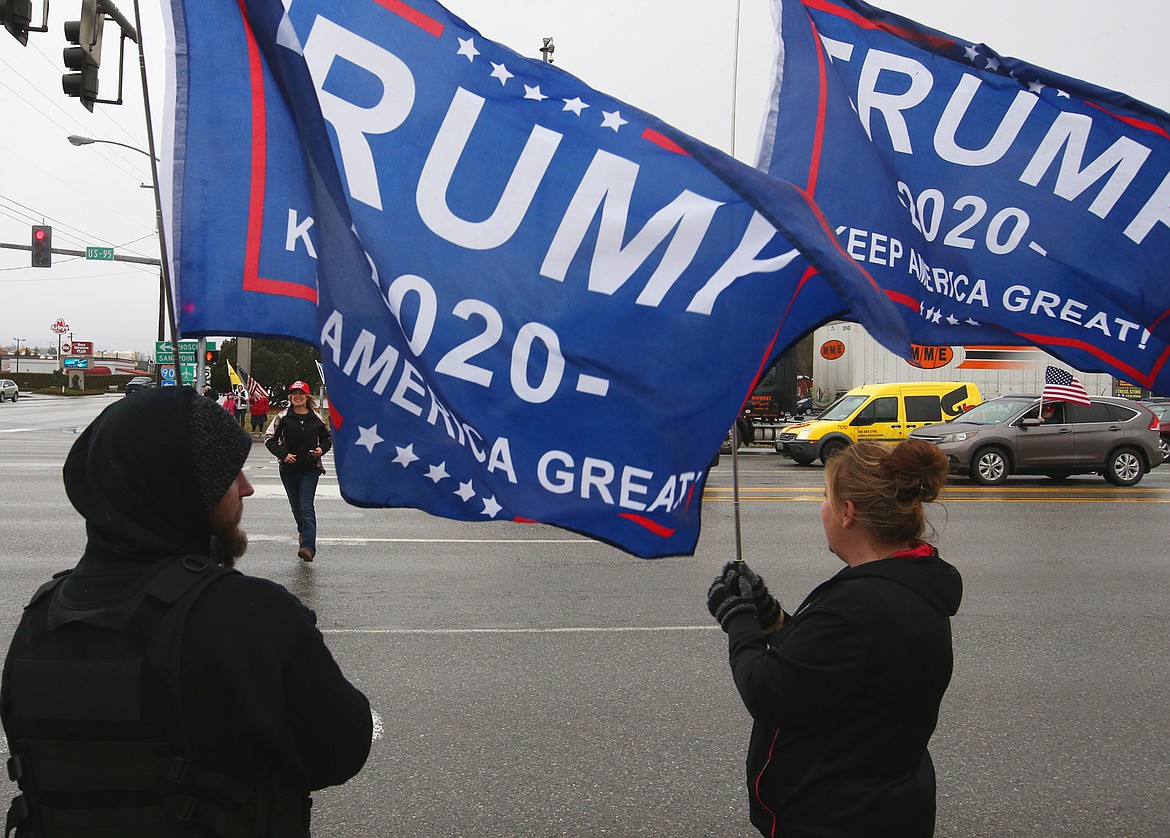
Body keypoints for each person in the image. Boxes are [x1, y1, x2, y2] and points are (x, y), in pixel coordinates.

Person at [1, 386, 371, 837]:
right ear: (181, 489)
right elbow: (339, 749)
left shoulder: (41, 619)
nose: (247, 487)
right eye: (228, 474)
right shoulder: (248, 615)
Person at [707, 439, 962, 838]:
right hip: (890, 802)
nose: (821, 506)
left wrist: (738, 619)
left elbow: (767, 691)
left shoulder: (859, 605)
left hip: (836, 816)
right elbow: (839, 666)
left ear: (848, 513)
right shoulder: (912, 581)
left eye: (826, 496)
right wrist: (771, 618)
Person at [265, 381, 332, 562]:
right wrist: (284, 454)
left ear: (307, 397)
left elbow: (328, 439)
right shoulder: (283, 417)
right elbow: (269, 439)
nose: (297, 397)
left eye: (301, 394)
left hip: (310, 469)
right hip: (289, 470)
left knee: (306, 506)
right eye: (294, 393)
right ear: (290, 397)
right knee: (296, 508)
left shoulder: (316, 418)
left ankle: (308, 548)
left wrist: (321, 450)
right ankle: (303, 530)